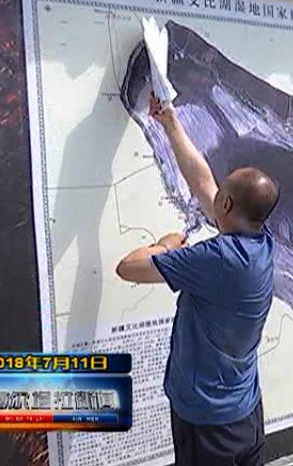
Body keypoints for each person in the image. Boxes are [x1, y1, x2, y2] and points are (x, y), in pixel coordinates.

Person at [115, 96, 279, 466]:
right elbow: (204, 184)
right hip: (246, 413)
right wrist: (170, 123)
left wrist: (165, 244)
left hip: (208, 424)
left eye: (223, 192)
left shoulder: (216, 260)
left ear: (227, 206)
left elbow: (128, 267)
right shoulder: (261, 242)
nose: (215, 191)